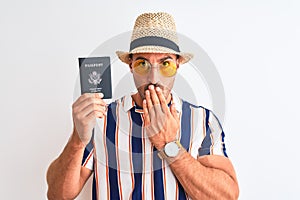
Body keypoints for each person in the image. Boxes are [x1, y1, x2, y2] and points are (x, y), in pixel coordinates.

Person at [46, 12, 239, 200]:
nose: (154, 78)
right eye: (142, 64)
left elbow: (226, 196)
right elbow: (57, 195)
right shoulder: (101, 119)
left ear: (178, 64)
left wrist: (169, 145)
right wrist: (78, 139)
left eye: (165, 64)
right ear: (130, 65)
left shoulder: (202, 121)